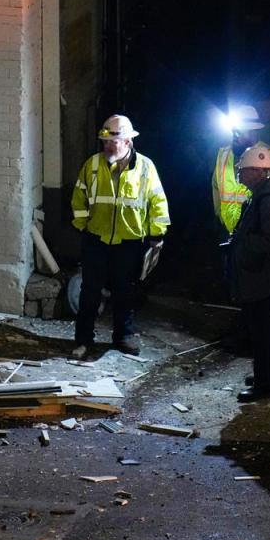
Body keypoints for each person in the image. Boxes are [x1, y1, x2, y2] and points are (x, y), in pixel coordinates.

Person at [70, 115, 171, 360]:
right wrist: (83, 225)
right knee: (90, 293)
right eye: (105, 142)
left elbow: (157, 201)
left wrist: (156, 234)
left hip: (129, 242)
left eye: (112, 142)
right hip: (96, 239)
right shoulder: (92, 165)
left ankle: (122, 336)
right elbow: (79, 197)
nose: (107, 147)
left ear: (127, 141)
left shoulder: (146, 167)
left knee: (125, 292)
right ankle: (83, 340)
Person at [211, 104, 270, 351]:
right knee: (242, 291)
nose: (238, 136)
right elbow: (216, 188)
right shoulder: (224, 154)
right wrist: (223, 225)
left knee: (264, 296)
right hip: (235, 235)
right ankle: (249, 336)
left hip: (259, 237)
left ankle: (267, 345)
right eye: (235, 131)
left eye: (242, 131)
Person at [229, 146, 270, 402]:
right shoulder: (262, 196)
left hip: (259, 275)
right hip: (260, 274)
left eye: (242, 171)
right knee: (265, 328)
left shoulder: (268, 201)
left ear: (257, 172)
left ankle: (264, 384)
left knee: (262, 330)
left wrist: (244, 246)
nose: (239, 176)